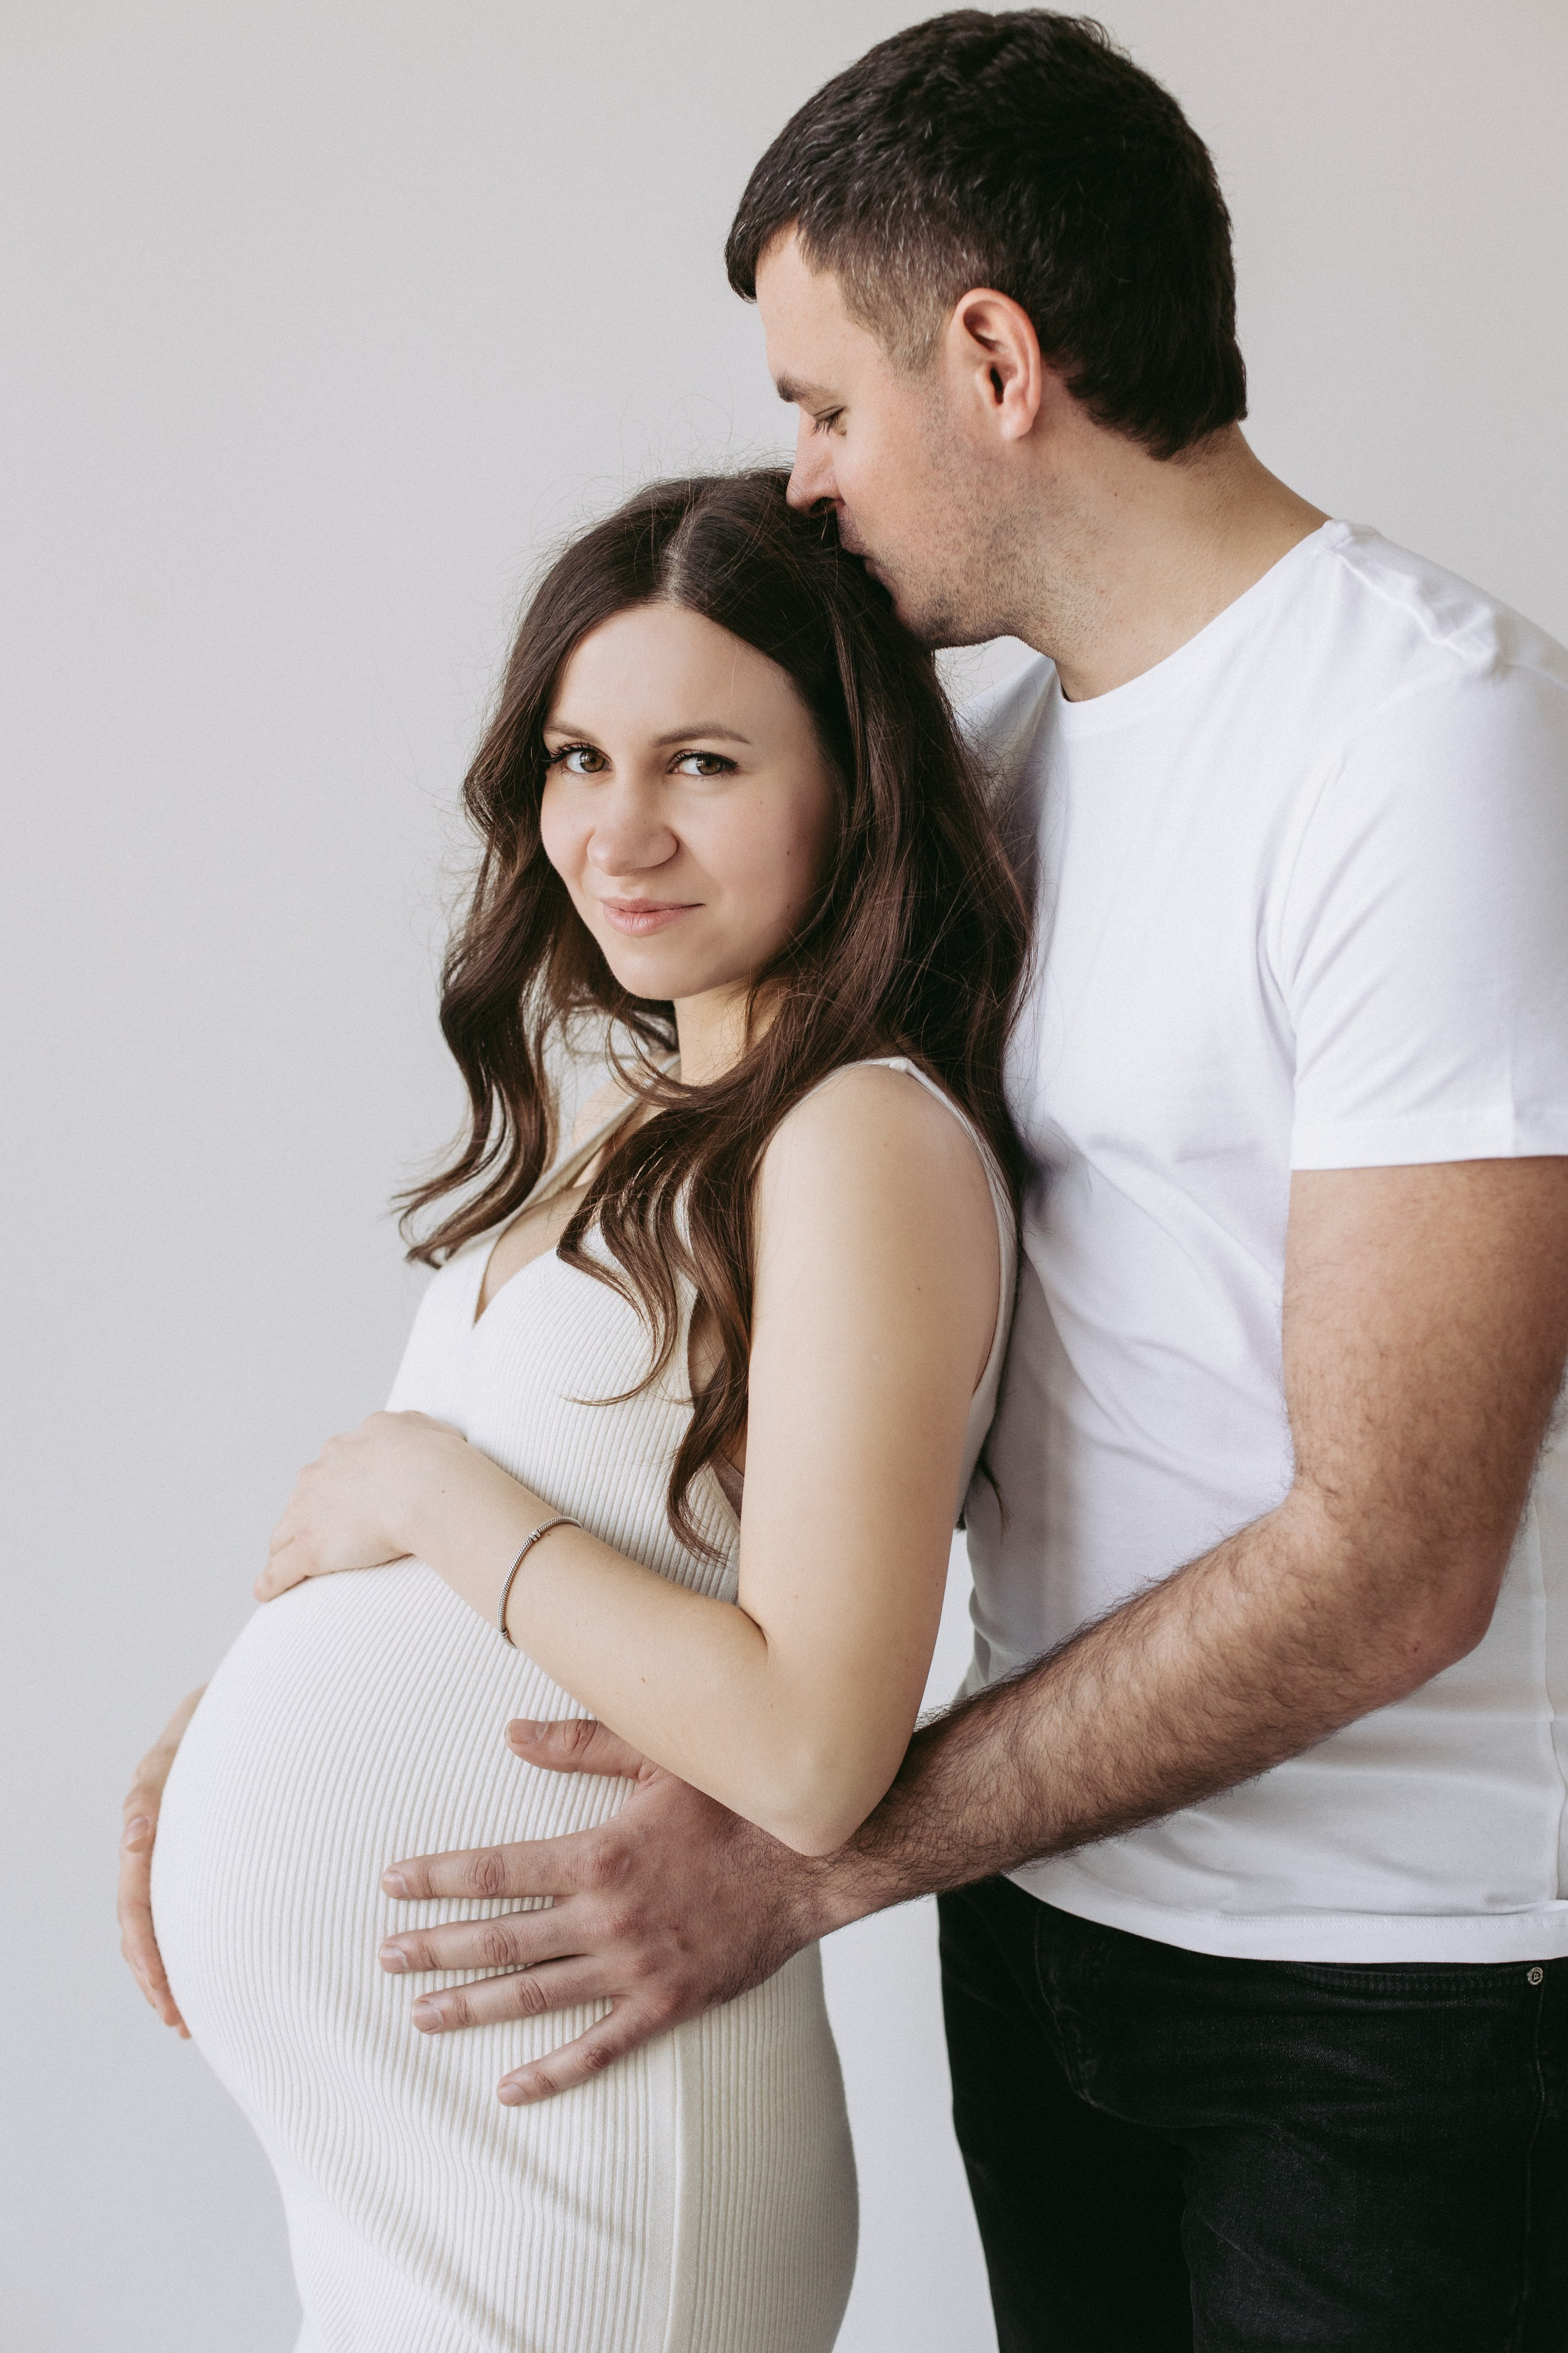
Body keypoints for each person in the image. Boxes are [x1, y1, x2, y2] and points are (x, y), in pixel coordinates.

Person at [121, 12, 1568, 2347]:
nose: (802, 482)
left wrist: (822, 1857)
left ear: (994, 360)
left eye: (822, 405)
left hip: (1376, 1990)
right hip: (1062, 1927)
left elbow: (1398, 1555)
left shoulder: (1425, 742)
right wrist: (279, 1716)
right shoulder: (1000, 768)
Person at [124, 469, 1024, 2352]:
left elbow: (809, 1749)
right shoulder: (632, 1115)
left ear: (853, 781)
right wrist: (216, 1750)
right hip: (444, 2151)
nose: (620, 832)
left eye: (703, 762)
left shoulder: (857, 1138)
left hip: (597, 2154)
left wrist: (438, 1502)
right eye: (577, 758)